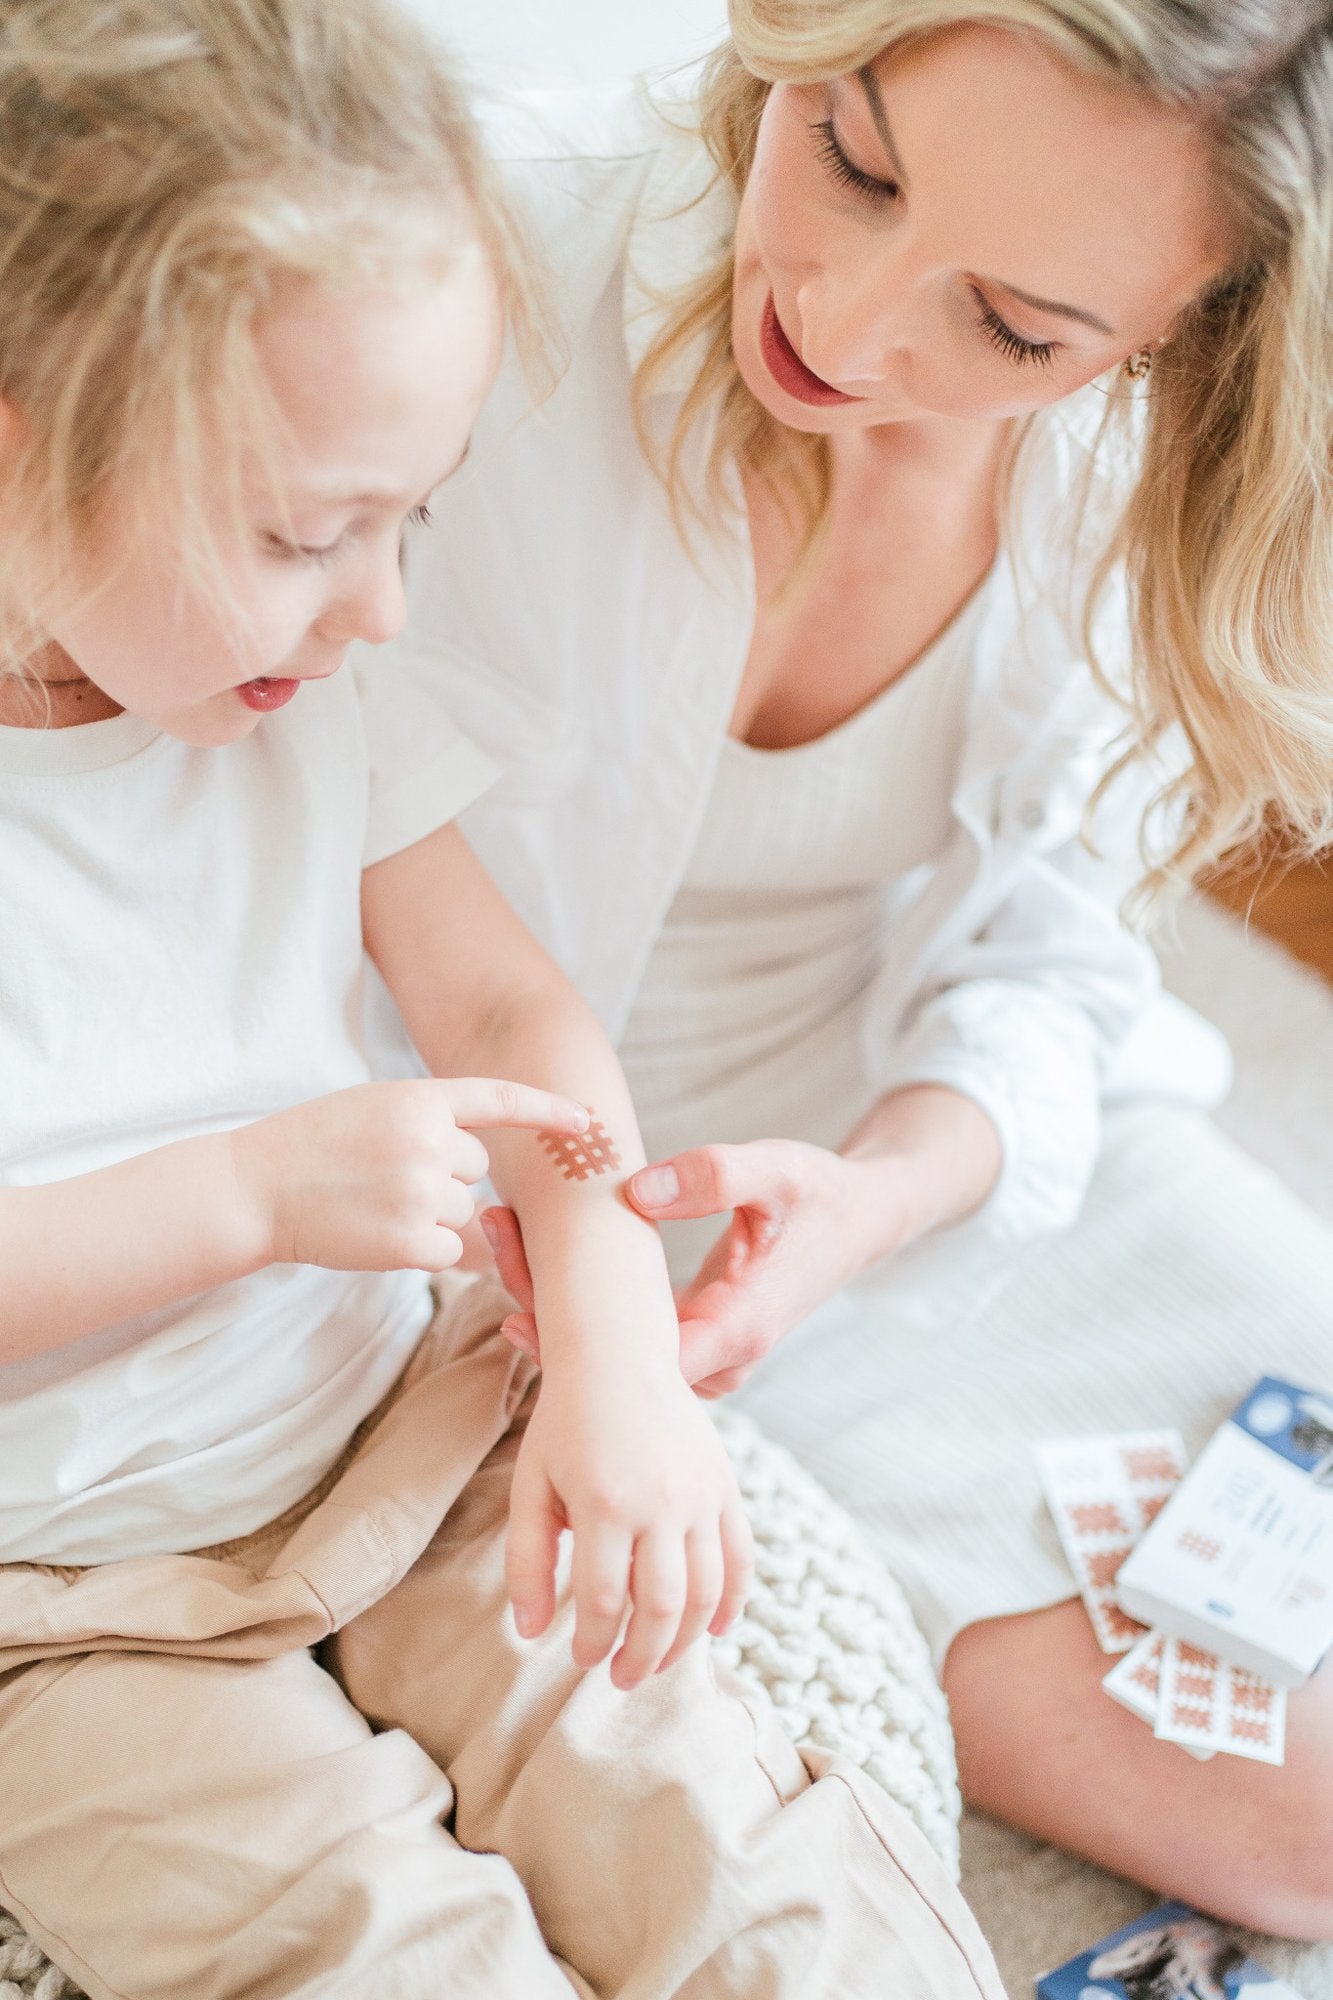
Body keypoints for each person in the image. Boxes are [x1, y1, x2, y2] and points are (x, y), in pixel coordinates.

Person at [0, 3, 1007, 1995]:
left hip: (406, 1415)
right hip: (68, 1596)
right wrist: (253, 1196)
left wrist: (612, 1348)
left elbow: (515, 1020)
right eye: (306, 532)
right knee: (365, 1938)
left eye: (418, 516)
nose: (381, 605)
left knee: (720, 1831)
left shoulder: (312, 695)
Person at [381, 0, 1333, 1942]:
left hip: (925, 1159)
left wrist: (894, 1187)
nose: (847, 316)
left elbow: (1050, 949)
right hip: (522, 1208)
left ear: (1168, 338)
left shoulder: (1109, 458)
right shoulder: (474, 265)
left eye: (1010, 328)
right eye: (854, 155)